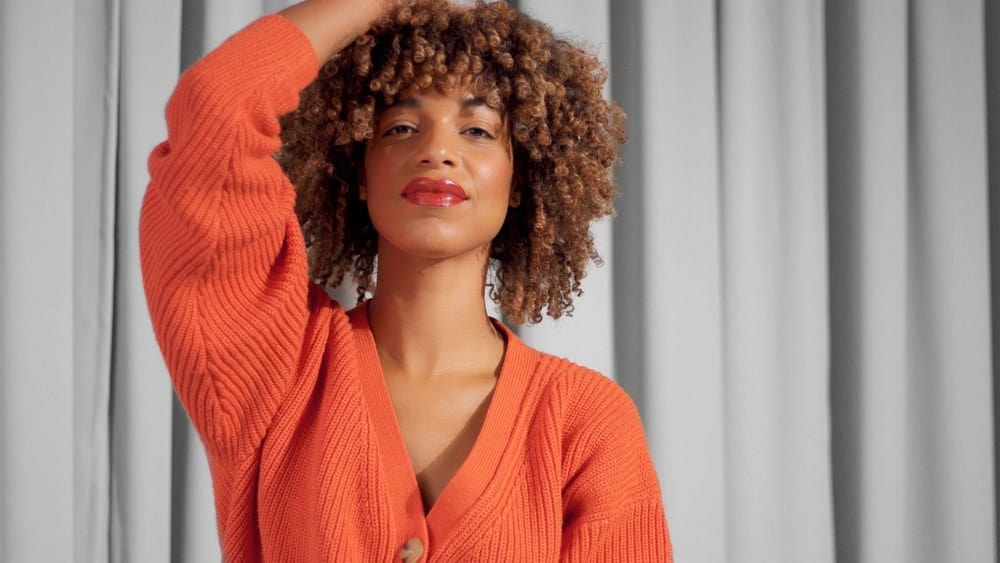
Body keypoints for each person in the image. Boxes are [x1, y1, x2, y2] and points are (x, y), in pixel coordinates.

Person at [139, 0, 672, 560]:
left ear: (519, 181)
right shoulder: (275, 371)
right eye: (401, 127)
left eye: (477, 130)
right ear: (360, 173)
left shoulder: (584, 422)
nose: (437, 151)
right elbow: (214, 109)